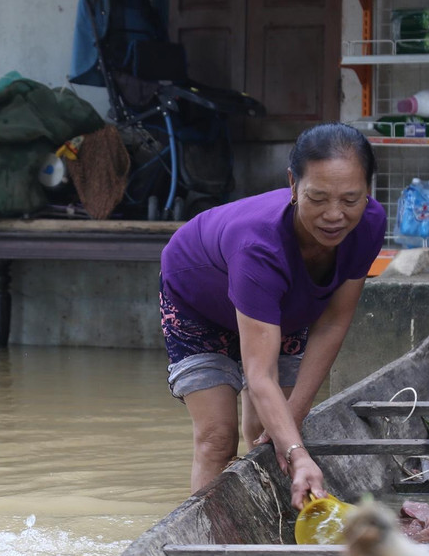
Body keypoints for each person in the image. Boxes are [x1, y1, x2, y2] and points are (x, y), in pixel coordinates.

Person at [159, 122, 386, 508]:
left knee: (270, 429)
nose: (335, 215)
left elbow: (332, 322)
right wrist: (298, 454)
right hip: (197, 304)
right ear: (293, 186)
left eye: (350, 199)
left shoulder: (369, 224)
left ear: (368, 191)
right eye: (318, 198)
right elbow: (259, 373)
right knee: (218, 436)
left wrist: (292, 424)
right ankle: (206, 544)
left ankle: (268, 515)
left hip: (283, 307)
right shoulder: (258, 246)